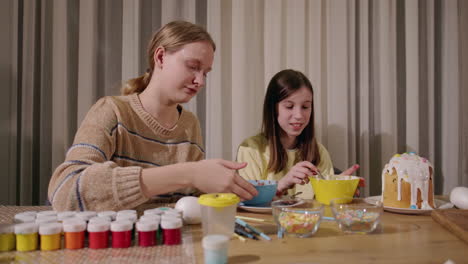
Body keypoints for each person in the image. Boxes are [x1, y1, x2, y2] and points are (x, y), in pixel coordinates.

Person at [48, 21, 257, 211]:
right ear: (160, 57)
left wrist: (224, 190)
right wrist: (189, 173)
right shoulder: (111, 111)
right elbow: (65, 193)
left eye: (206, 72)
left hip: (174, 243)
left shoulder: (189, 124)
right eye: (193, 67)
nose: (200, 81)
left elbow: (188, 201)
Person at [236, 69, 359, 199]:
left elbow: (324, 207)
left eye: (305, 107)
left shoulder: (319, 151)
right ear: (272, 108)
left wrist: (338, 189)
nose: (299, 116)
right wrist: (281, 185)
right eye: (289, 106)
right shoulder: (251, 149)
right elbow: (247, 200)